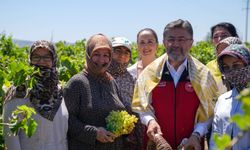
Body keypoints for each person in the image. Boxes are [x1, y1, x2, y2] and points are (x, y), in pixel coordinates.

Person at [132, 19, 219, 150]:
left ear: (191, 43)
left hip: (191, 145)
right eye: (171, 39)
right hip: (156, 144)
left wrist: (197, 134)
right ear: (164, 43)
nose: (176, 44)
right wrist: (150, 121)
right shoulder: (150, 73)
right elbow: (142, 107)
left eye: (182, 39)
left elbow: (210, 112)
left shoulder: (203, 74)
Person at [64, 34, 128, 150]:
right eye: (96, 54)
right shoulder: (77, 83)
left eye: (105, 55)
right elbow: (67, 120)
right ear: (88, 55)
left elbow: (120, 110)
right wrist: (94, 133)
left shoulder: (111, 81)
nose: (101, 60)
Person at [3, 40, 68, 150]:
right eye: (36, 57)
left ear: (54, 60)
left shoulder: (60, 91)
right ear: (30, 60)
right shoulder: (18, 92)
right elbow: (11, 137)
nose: (41, 61)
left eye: (47, 57)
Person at [210, 44, 250, 149]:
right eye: (226, 67)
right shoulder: (222, 100)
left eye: (236, 65)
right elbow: (216, 136)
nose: (231, 71)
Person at [206, 22, 241, 92]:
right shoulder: (209, 67)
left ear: (235, 38)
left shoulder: (245, 61)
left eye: (224, 35)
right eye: (215, 37)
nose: (219, 39)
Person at [108, 36, 135, 107]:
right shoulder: (99, 75)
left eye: (126, 53)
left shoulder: (131, 79)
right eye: (118, 51)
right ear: (110, 52)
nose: (122, 55)